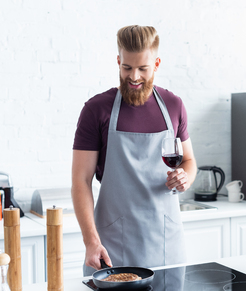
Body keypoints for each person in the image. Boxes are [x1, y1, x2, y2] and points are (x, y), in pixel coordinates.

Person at [71, 25, 197, 276]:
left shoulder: (173, 105)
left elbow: (189, 161)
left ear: (157, 63)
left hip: (166, 244)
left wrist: (185, 176)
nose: (135, 77)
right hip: (113, 246)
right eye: (127, 67)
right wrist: (90, 241)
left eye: (143, 68)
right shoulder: (96, 110)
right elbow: (80, 181)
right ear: (118, 61)